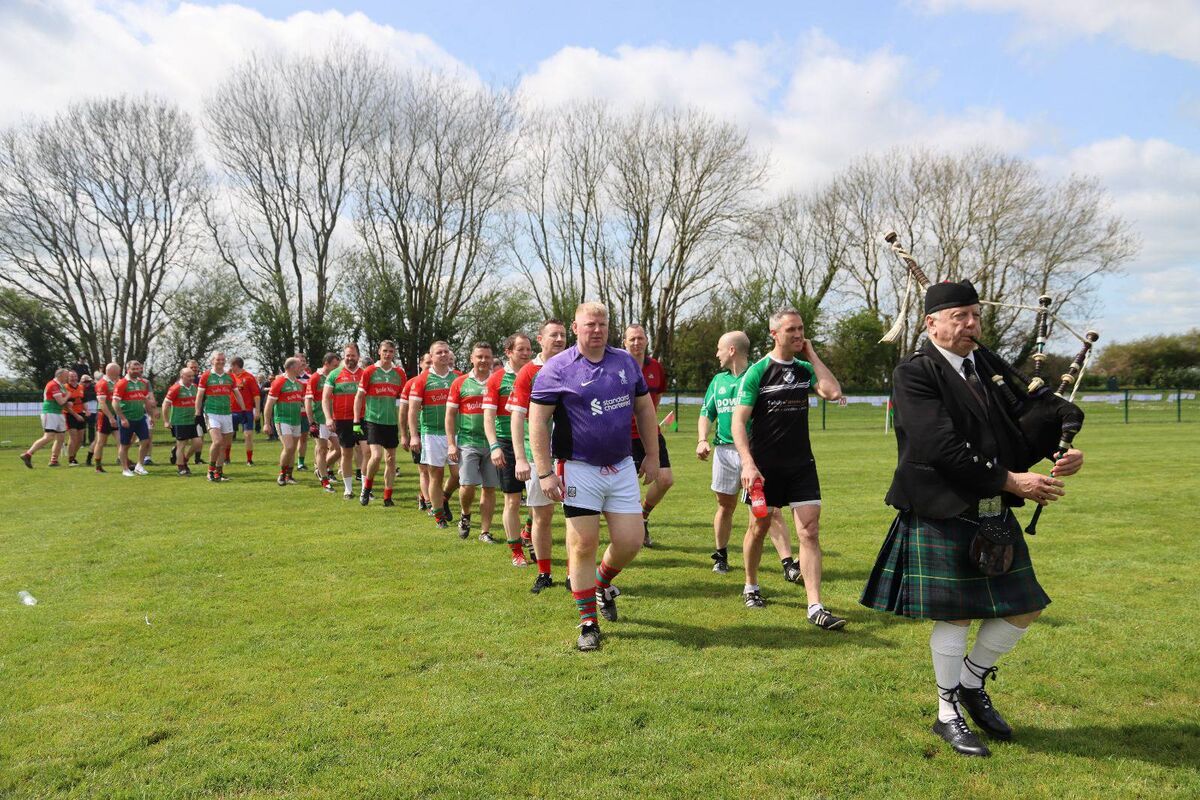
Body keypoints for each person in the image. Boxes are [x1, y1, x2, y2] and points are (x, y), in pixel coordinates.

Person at [860, 280, 1084, 758]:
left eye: (975, 316)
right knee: (955, 614)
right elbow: (939, 447)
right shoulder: (914, 373)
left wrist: (1061, 450)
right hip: (941, 506)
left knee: (1026, 606)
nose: (970, 324)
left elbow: (1020, 426)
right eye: (959, 316)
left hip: (989, 509)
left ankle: (970, 680)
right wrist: (1011, 481)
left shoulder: (985, 367)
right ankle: (947, 713)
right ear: (931, 323)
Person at [529, 302, 660, 652]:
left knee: (631, 542)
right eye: (590, 324)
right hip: (578, 467)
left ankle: (601, 583)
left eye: (602, 324)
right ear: (576, 328)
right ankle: (588, 622)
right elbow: (537, 421)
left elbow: (644, 408)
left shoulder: (625, 362)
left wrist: (652, 454)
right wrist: (544, 471)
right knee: (583, 544)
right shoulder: (557, 368)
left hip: (621, 466)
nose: (597, 330)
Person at [732, 309, 846, 628]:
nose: (798, 334)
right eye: (791, 330)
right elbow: (738, 422)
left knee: (809, 531)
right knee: (759, 527)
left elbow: (833, 392)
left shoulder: (805, 369)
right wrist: (748, 463)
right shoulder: (757, 372)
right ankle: (751, 585)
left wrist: (812, 354)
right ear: (775, 334)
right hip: (764, 468)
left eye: (801, 329)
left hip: (801, 466)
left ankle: (815, 606)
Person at [696, 331, 793, 575]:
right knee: (724, 505)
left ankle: (788, 563)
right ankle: (721, 555)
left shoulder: (758, 375)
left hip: (756, 453)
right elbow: (707, 413)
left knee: (769, 509)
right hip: (724, 452)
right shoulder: (718, 381)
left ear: (731, 350)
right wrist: (702, 439)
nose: (716, 354)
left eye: (719, 348)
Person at [510, 319, 569, 593]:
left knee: (574, 517)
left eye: (563, 335)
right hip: (538, 457)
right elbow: (517, 417)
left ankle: (573, 574)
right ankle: (544, 573)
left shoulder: (575, 365)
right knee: (542, 516)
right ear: (540, 339)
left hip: (571, 454)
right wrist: (521, 458)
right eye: (553, 335)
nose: (559, 339)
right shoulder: (528, 372)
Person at [484, 333, 535, 566]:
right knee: (512, 501)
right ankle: (517, 552)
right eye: (520, 349)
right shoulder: (496, 380)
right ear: (508, 352)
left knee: (539, 501)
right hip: (506, 443)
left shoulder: (537, 373)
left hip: (534, 441)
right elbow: (488, 417)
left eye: (528, 349)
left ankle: (528, 531)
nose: (526, 353)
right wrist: (494, 446)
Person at [623, 324, 673, 547]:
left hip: (651, 433)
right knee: (628, 487)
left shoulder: (656, 367)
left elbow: (656, 399)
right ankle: (631, 531)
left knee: (665, 479)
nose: (637, 342)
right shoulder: (617, 366)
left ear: (646, 340)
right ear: (624, 342)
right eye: (632, 339)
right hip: (625, 436)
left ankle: (643, 516)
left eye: (640, 338)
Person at [447, 342, 500, 542]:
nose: (483, 360)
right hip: (468, 441)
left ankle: (485, 532)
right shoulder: (460, 383)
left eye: (487, 357)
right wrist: (451, 444)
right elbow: (450, 415)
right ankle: (465, 514)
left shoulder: (497, 381)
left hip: (492, 443)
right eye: (479, 357)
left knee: (489, 488)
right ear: (472, 359)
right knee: (467, 485)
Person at [407, 341, 461, 529]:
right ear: (431, 356)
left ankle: (444, 498)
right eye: (439, 352)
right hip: (432, 434)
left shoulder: (458, 377)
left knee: (459, 475)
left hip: (456, 433)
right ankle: (439, 517)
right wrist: (414, 435)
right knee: (435, 475)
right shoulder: (421, 380)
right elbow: (412, 410)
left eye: (446, 351)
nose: (444, 355)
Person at [354, 341, 407, 506]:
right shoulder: (370, 371)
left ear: (394, 353)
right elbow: (359, 397)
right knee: (376, 456)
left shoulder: (399, 373)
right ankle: (366, 488)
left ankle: (387, 497)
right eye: (385, 351)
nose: (388, 354)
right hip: (373, 420)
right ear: (379, 352)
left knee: (390, 459)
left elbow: (404, 399)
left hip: (391, 422)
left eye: (391, 351)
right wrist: (356, 421)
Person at [322, 343, 369, 499]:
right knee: (346, 453)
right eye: (347, 355)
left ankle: (365, 489)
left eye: (353, 355)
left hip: (363, 418)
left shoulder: (365, 373)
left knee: (367, 452)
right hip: (342, 419)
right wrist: (328, 418)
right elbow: (325, 398)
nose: (350, 358)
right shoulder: (334, 374)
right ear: (344, 356)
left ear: (358, 356)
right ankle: (348, 489)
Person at [263, 357, 307, 487]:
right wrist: (266, 423)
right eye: (299, 366)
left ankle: (289, 475)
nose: (301, 368)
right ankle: (282, 474)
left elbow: (303, 402)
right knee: (288, 447)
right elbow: (269, 404)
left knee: (292, 449)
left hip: (296, 420)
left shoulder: (299, 384)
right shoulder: (279, 382)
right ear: (291, 367)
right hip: (282, 420)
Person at [196, 352, 236, 482]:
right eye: (218, 359)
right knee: (217, 441)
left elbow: (236, 393)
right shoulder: (206, 376)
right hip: (211, 412)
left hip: (227, 413)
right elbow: (199, 396)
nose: (221, 362)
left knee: (224, 444)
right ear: (212, 361)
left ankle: (219, 472)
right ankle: (210, 471)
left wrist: (244, 409)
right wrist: (197, 412)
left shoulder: (229, 376)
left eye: (223, 359)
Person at [112, 360, 157, 477]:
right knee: (124, 444)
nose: (137, 371)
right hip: (127, 418)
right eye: (134, 369)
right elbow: (115, 402)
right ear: (128, 370)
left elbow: (146, 400)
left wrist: (151, 416)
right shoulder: (122, 383)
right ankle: (125, 469)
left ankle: (139, 466)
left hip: (140, 417)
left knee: (145, 441)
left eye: (138, 369)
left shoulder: (142, 383)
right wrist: (122, 418)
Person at [400, 353, 432, 511]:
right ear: (420, 364)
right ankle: (430, 503)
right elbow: (403, 411)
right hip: (418, 432)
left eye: (432, 363)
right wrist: (404, 434)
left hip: (435, 432)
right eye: (427, 363)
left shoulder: (442, 382)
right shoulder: (411, 383)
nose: (430, 366)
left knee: (435, 471)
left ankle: (423, 495)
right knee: (424, 469)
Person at [20, 368, 71, 468]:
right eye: (66, 376)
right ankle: (28, 454)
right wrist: (68, 396)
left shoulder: (61, 386)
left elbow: (63, 402)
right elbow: (61, 401)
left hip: (59, 413)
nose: (67, 378)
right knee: (49, 436)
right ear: (60, 375)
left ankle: (54, 460)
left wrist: (67, 401)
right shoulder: (53, 385)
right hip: (50, 413)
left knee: (61, 437)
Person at [306, 352, 341, 493]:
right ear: (326, 363)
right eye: (334, 365)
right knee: (322, 449)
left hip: (334, 419)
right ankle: (325, 481)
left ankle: (321, 469)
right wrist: (311, 422)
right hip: (320, 419)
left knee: (339, 450)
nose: (337, 368)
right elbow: (308, 400)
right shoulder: (315, 377)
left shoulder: (336, 377)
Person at [162, 367, 202, 476]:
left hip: (192, 420)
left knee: (198, 443)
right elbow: (165, 404)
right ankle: (181, 468)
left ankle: (184, 460)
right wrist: (166, 421)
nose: (191, 378)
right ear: (182, 376)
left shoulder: (194, 387)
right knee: (181, 444)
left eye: (192, 376)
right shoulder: (175, 388)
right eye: (189, 376)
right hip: (179, 421)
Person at [229, 356, 260, 466]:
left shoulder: (249, 377)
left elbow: (256, 395)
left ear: (235, 365)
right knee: (228, 435)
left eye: (231, 365)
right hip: (231, 410)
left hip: (246, 411)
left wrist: (257, 410)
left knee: (248, 435)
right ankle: (226, 458)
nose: (230, 368)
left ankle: (249, 459)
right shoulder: (229, 377)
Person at [91, 363, 121, 473]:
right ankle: (98, 466)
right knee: (101, 441)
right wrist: (111, 418)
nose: (119, 372)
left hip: (116, 414)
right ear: (110, 371)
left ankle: (124, 462)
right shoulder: (102, 383)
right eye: (117, 371)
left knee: (121, 440)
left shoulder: (117, 382)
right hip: (104, 416)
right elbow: (102, 403)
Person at [63, 371, 88, 465]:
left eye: (75, 376)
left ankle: (73, 456)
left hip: (80, 413)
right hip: (69, 414)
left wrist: (87, 410)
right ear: (68, 378)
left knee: (80, 439)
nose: (73, 378)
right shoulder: (65, 387)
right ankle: (71, 459)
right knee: (73, 437)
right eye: (71, 376)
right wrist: (76, 416)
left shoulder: (81, 387)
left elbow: (83, 400)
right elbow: (67, 406)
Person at [294, 353, 312, 471]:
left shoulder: (310, 377)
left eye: (304, 360)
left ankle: (300, 462)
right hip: (292, 413)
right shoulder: (289, 377)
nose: (303, 362)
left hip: (305, 412)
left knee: (303, 438)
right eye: (300, 361)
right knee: (292, 439)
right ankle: (289, 462)